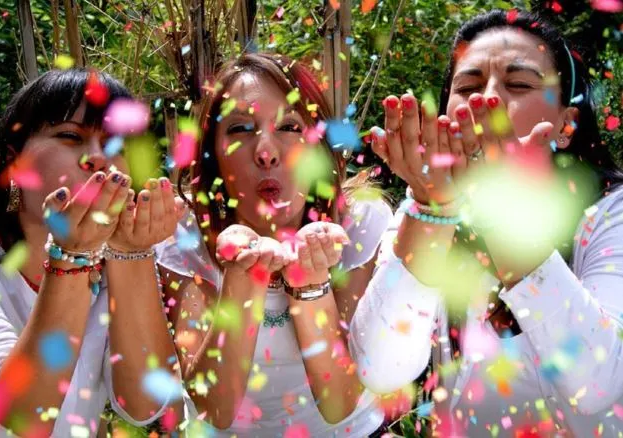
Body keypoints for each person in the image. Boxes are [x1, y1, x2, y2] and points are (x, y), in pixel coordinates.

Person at [349, 9, 623, 437]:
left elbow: (598, 384)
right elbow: (380, 369)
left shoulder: (610, 213)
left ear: (567, 125)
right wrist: (433, 209)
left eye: (518, 84)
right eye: (468, 87)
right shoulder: (424, 211)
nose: (486, 101)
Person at [156, 53, 393, 436]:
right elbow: (212, 408)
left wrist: (310, 285)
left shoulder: (358, 226)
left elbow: (340, 401)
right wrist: (241, 279)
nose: (266, 151)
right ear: (212, 156)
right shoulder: (185, 238)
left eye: (288, 126)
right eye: (240, 129)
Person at [0, 68, 184, 437]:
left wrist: (131, 252)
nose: (97, 158)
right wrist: (72, 257)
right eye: (70, 136)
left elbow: (143, 405)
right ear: (15, 162)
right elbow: (21, 418)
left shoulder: (113, 261)